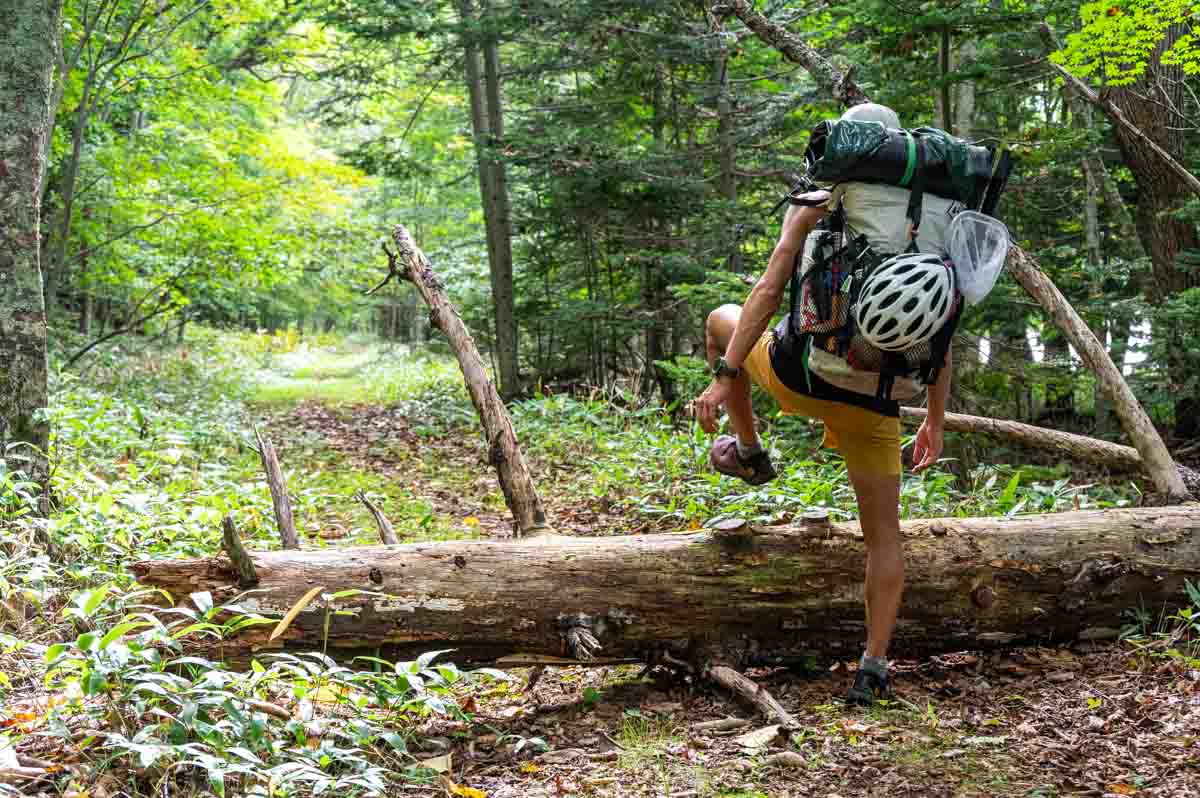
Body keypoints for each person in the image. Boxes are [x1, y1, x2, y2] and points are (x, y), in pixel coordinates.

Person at [693, 103, 958, 706]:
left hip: (800, 378)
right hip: (878, 400)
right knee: (883, 536)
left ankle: (751, 453)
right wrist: (935, 421)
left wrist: (725, 373)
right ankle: (873, 668)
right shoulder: (938, 223)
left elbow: (765, 292)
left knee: (718, 319)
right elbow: (943, 332)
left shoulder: (822, 204)